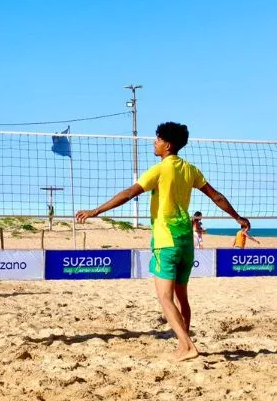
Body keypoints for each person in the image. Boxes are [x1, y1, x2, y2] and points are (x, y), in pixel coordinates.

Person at [76, 122, 250, 362]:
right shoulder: (190, 169)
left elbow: (128, 194)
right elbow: (216, 196)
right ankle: (182, 345)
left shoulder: (159, 170)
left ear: (167, 145)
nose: (154, 142)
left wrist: (96, 211)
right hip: (186, 242)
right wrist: (238, 217)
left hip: (166, 241)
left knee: (165, 298)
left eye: (157, 139)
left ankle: (188, 346)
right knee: (182, 298)